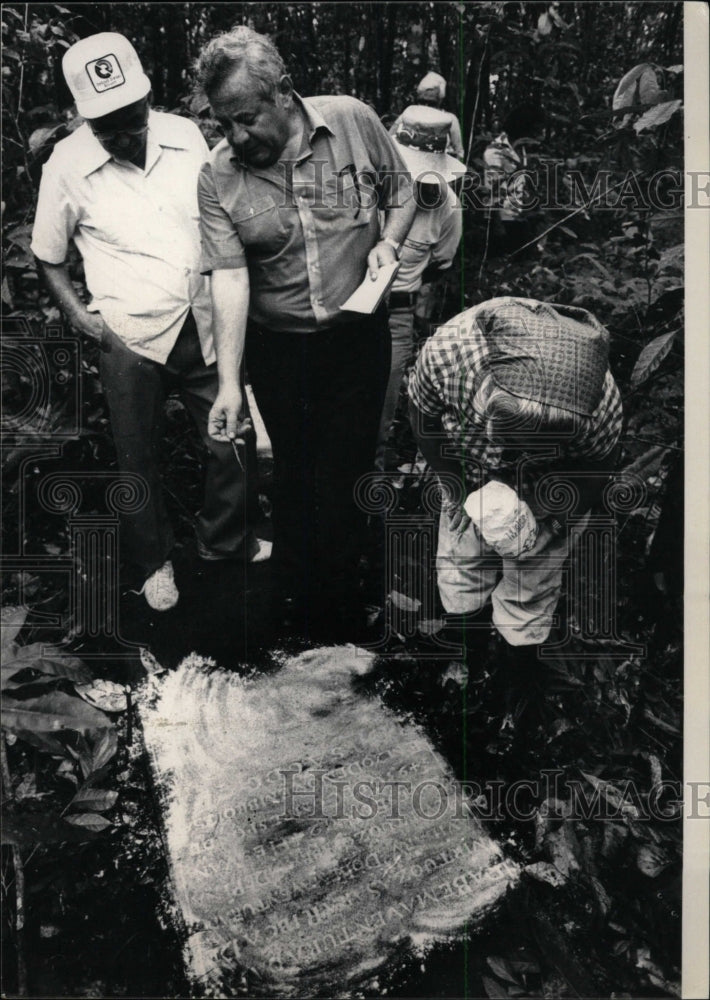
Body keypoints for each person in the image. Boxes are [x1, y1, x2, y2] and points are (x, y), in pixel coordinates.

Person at [31, 32, 267, 612]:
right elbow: (47, 254)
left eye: (132, 117)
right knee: (137, 454)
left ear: (147, 99)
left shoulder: (185, 135)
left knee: (231, 441)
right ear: (84, 118)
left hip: (205, 320)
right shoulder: (67, 165)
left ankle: (224, 544)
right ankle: (154, 562)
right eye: (107, 125)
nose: (125, 133)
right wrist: (81, 318)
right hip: (129, 333)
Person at [195, 26, 416, 637]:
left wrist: (389, 244)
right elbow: (231, 280)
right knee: (291, 472)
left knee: (345, 470)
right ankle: (292, 607)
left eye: (246, 118)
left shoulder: (352, 121)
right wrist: (229, 384)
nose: (237, 137)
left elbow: (403, 192)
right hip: (278, 345)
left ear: (284, 94)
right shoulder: (218, 175)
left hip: (355, 337)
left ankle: (344, 606)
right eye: (223, 124)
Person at [408, 297, 623, 679]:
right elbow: (423, 418)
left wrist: (557, 521)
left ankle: (515, 682)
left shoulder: (599, 405)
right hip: (469, 463)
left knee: (531, 580)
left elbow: (598, 466)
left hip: (550, 483)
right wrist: (457, 490)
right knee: (462, 562)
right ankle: (465, 660)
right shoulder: (447, 357)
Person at [375, 105, 464, 470]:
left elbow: (441, 263)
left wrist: (407, 288)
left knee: (381, 409)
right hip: (343, 311)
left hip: (396, 313)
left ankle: (371, 488)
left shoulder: (447, 207)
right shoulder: (365, 188)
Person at [483, 104, 546, 256]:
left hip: (521, 214)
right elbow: (492, 191)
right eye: (535, 129)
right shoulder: (496, 151)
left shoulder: (521, 148)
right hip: (505, 219)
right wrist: (498, 227)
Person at [390, 72, 464, 160]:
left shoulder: (449, 119)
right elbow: (389, 140)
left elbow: (459, 152)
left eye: (431, 103)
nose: (426, 106)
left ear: (440, 100)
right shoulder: (408, 115)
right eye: (423, 101)